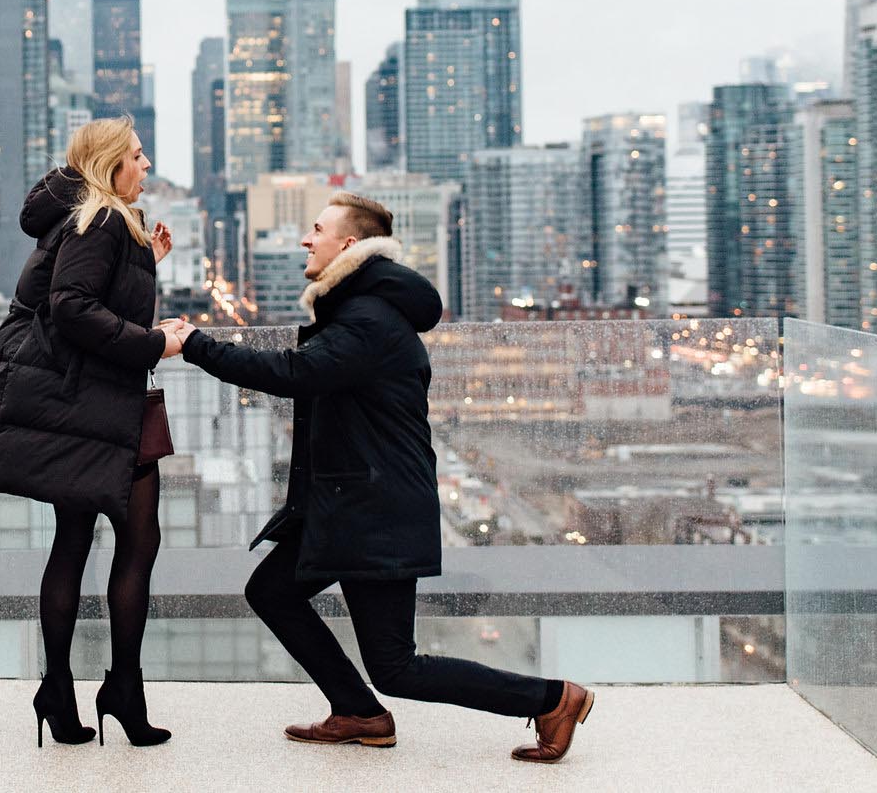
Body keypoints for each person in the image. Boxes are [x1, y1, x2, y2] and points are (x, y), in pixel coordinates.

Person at [176, 192, 592, 763]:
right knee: (272, 591)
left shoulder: (368, 318)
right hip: (350, 501)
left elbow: (299, 373)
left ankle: (551, 699)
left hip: (374, 509)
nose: (305, 238)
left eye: (316, 229)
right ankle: (358, 712)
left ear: (348, 244)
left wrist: (195, 345)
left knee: (396, 666)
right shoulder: (360, 309)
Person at [0, 117, 197, 748]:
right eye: (137, 155)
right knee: (138, 541)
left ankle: (60, 690)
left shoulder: (93, 221)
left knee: (73, 540)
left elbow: (81, 292)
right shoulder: (100, 220)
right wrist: (158, 343)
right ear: (110, 166)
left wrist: (145, 262)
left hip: (77, 409)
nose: (147, 165)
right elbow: (73, 306)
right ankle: (122, 688)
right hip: (96, 410)